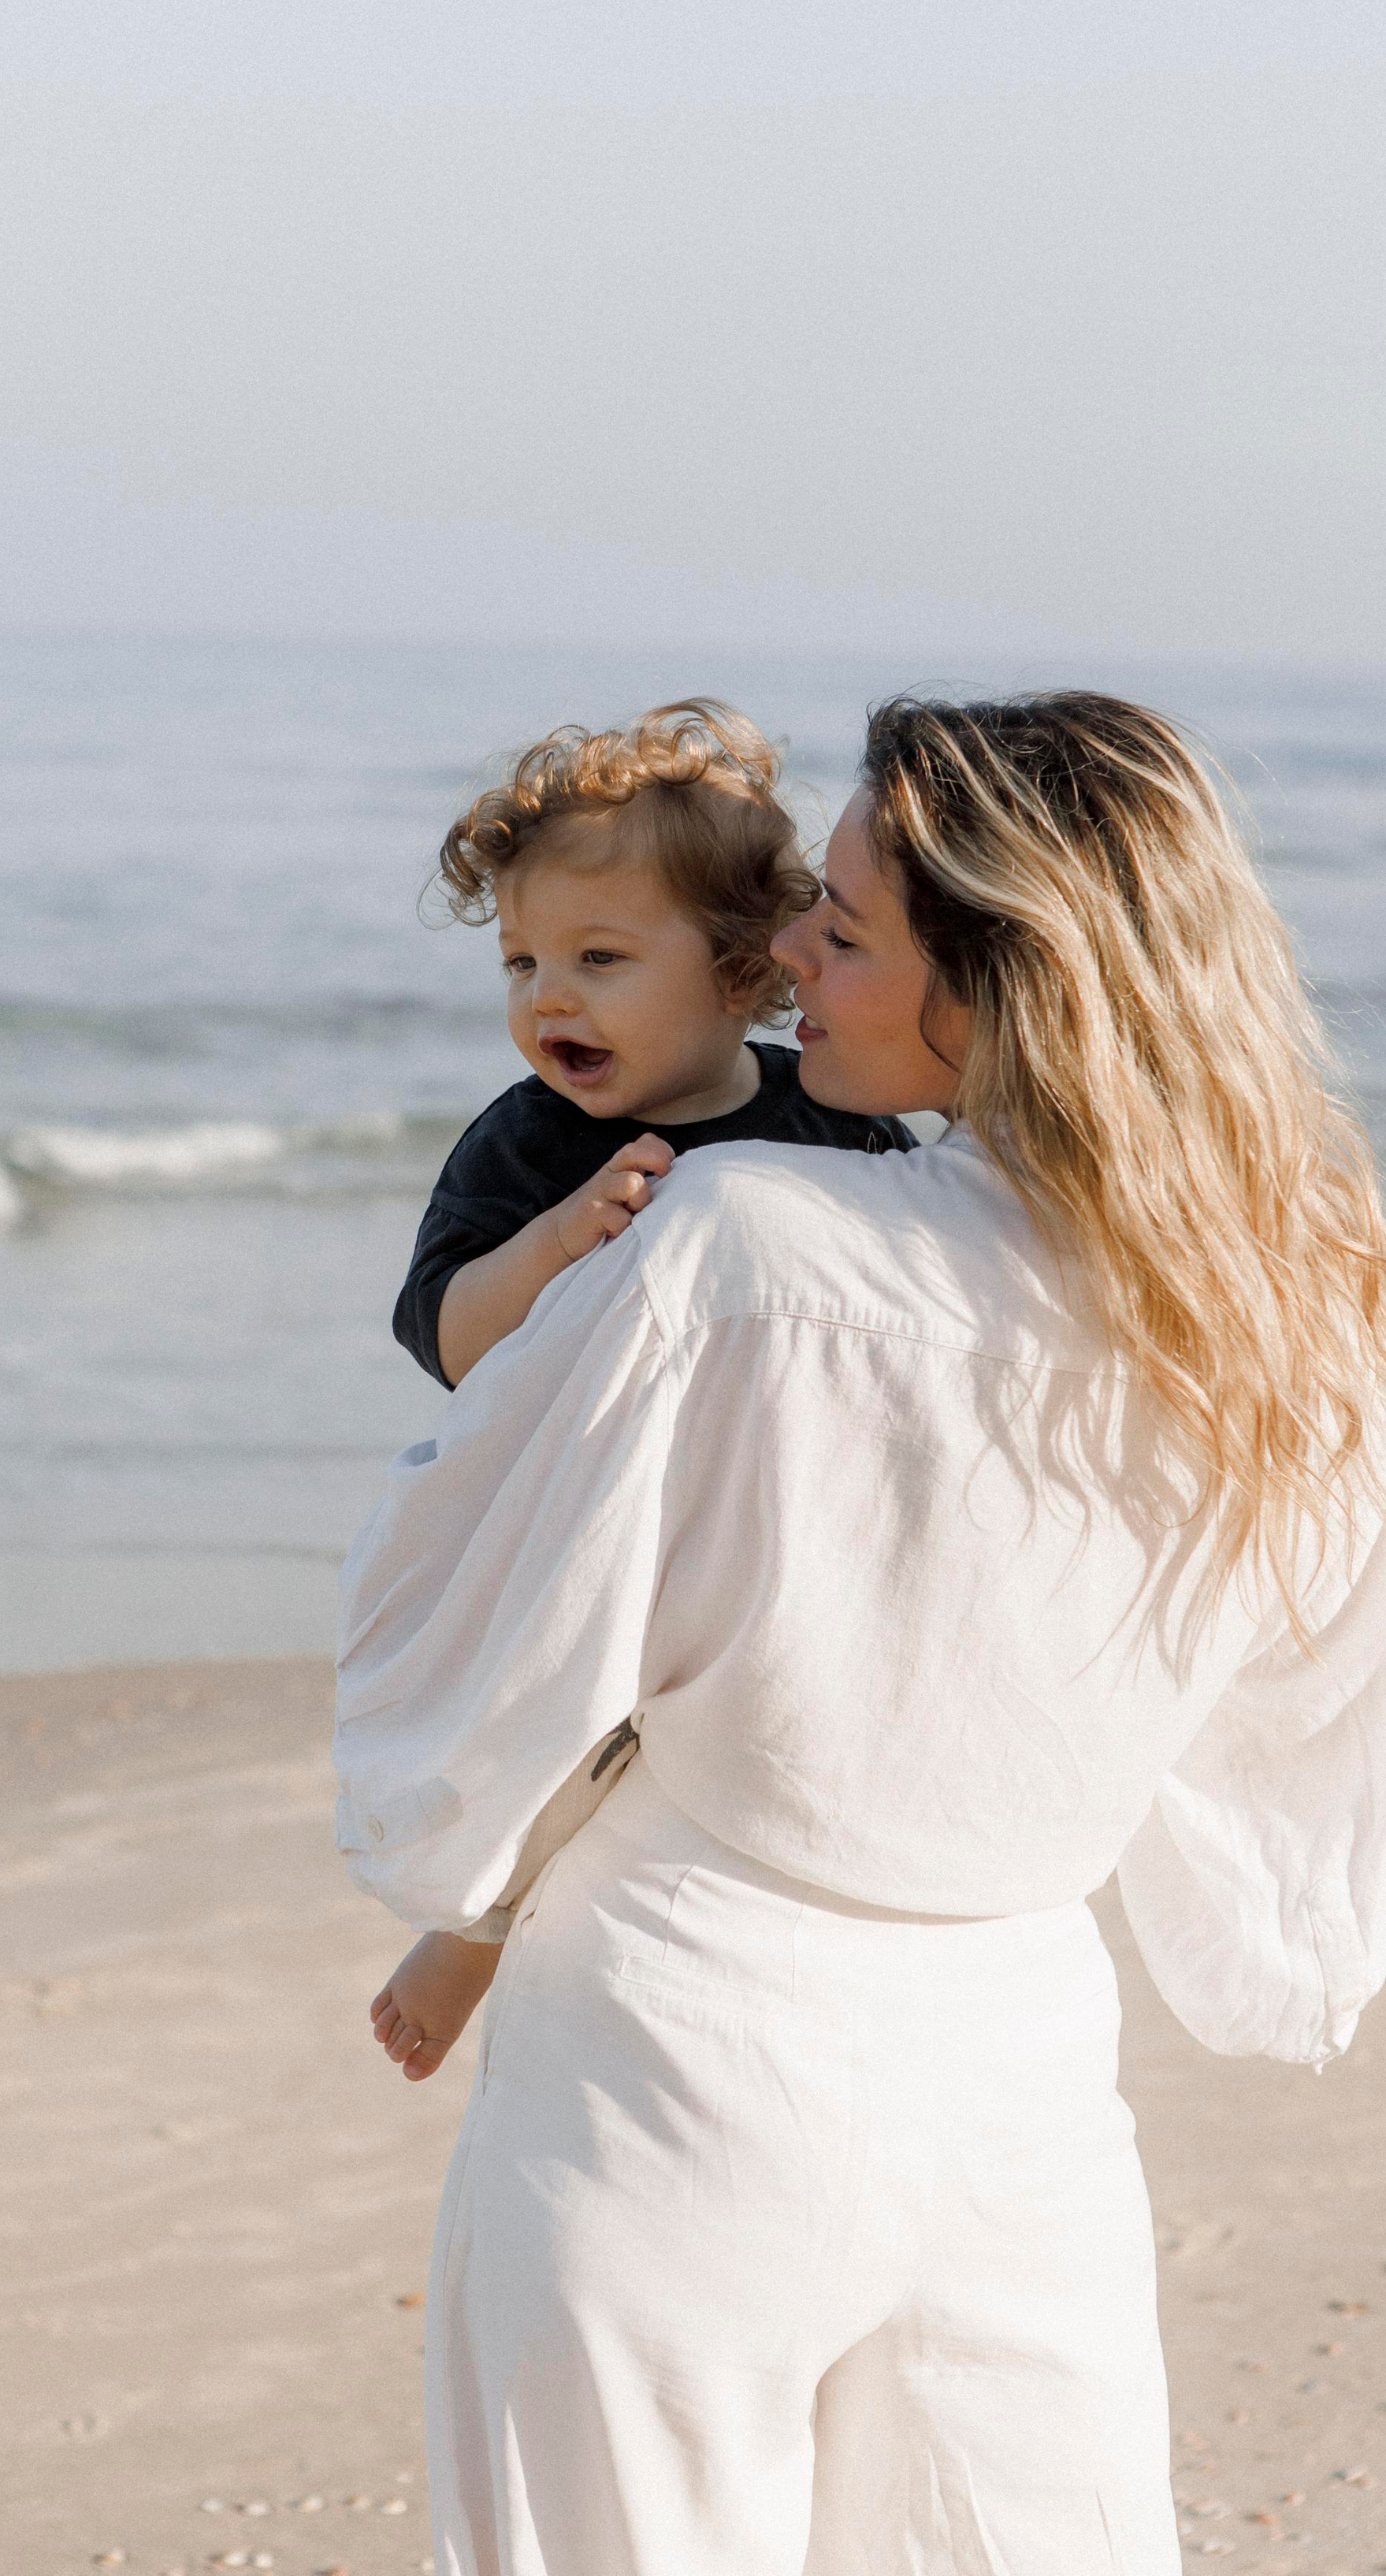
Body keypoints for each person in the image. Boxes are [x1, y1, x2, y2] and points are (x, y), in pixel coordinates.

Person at [334, 691, 1386, 2576]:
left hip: (674, 2037)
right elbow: (1299, 1715)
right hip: (1021, 2048)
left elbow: (462, 1601)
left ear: (1001, 985)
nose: (784, 945)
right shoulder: (1304, 1316)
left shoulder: (739, 1247)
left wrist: (460, 1887)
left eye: (844, 931)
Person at [374, 697, 909, 2083]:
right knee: (568, 1724)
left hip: (770, 1499)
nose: (549, 998)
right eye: (522, 963)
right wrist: (559, 1240)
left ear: (743, 975)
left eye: (601, 959)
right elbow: (447, 1332)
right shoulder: (532, 1142)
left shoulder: (833, 1119)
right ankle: (477, 1927)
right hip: (582, 1509)